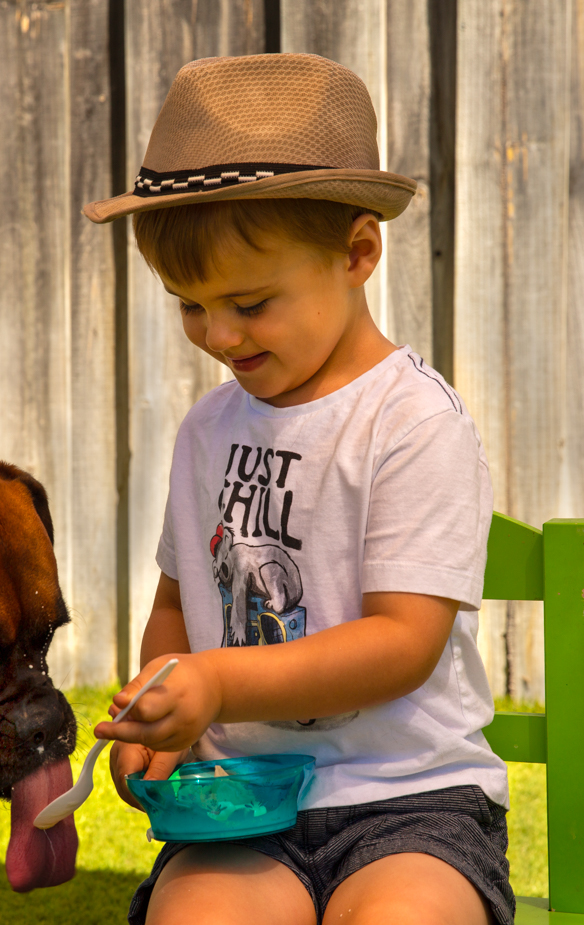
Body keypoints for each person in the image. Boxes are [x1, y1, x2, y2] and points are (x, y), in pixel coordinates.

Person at [82, 54, 513, 925]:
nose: (217, 334)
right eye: (189, 305)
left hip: (411, 802)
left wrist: (219, 681)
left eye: (249, 301)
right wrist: (159, 696)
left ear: (358, 252)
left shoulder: (409, 421)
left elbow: (402, 643)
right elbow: (179, 600)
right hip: (242, 803)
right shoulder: (209, 429)